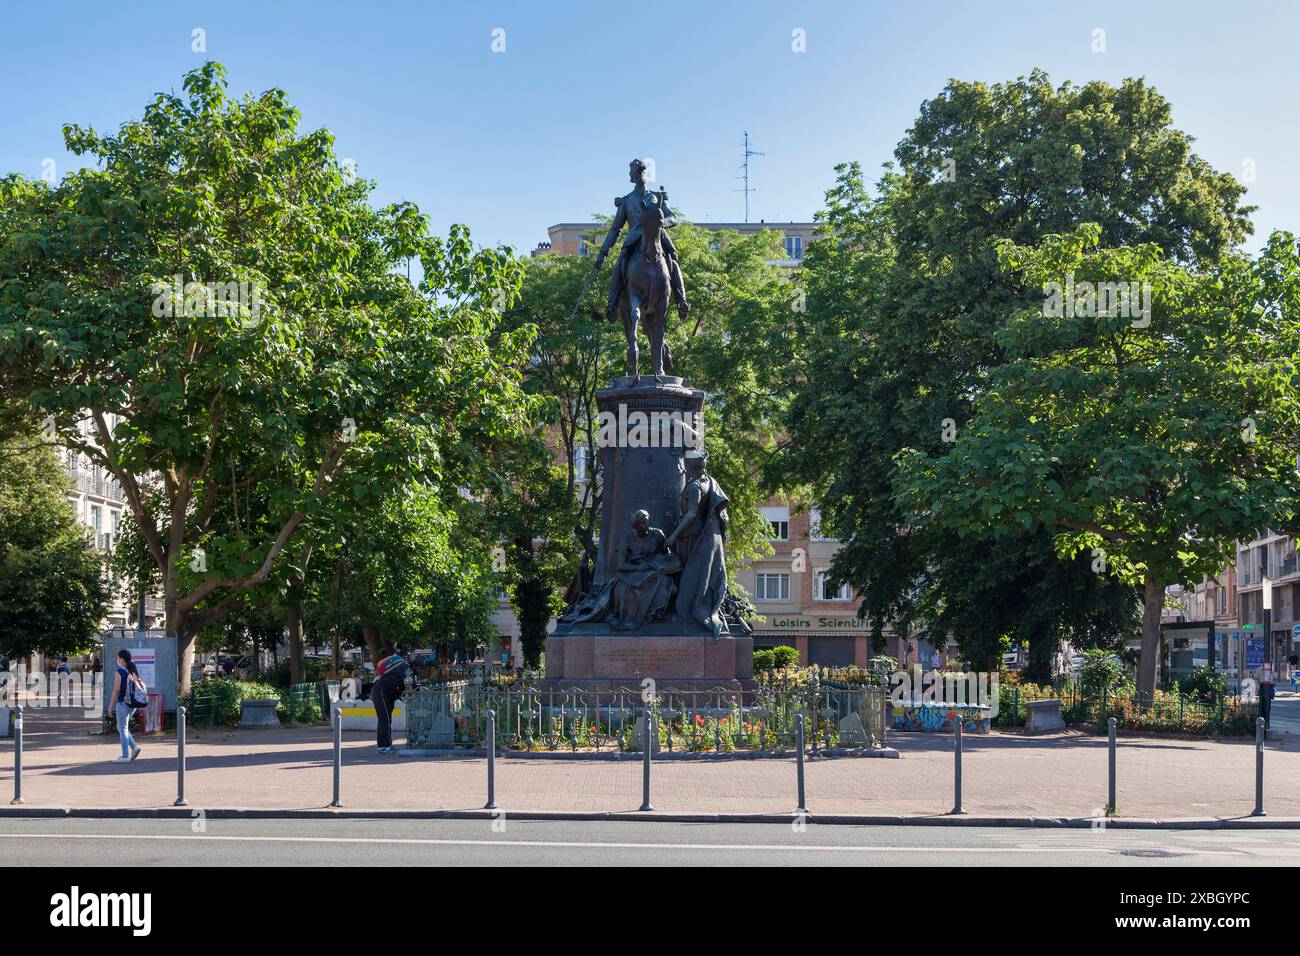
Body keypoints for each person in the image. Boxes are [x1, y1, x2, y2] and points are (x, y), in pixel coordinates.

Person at [371, 649, 410, 754]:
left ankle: (381, 746)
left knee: (384, 719)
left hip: (383, 692)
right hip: (382, 692)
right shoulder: (404, 671)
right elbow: (407, 687)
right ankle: (387, 746)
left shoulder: (400, 670)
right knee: (385, 719)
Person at [110, 649, 142, 763]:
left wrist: (110, 707)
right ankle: (134, 747)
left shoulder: (120, 671)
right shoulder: (132, 671)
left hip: (122, 703)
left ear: (122, 659)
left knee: (122, 728)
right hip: (132, 704)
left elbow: (116, 690)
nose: (117, 660)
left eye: (118, 658)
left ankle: (124, 756)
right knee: (121, 727)